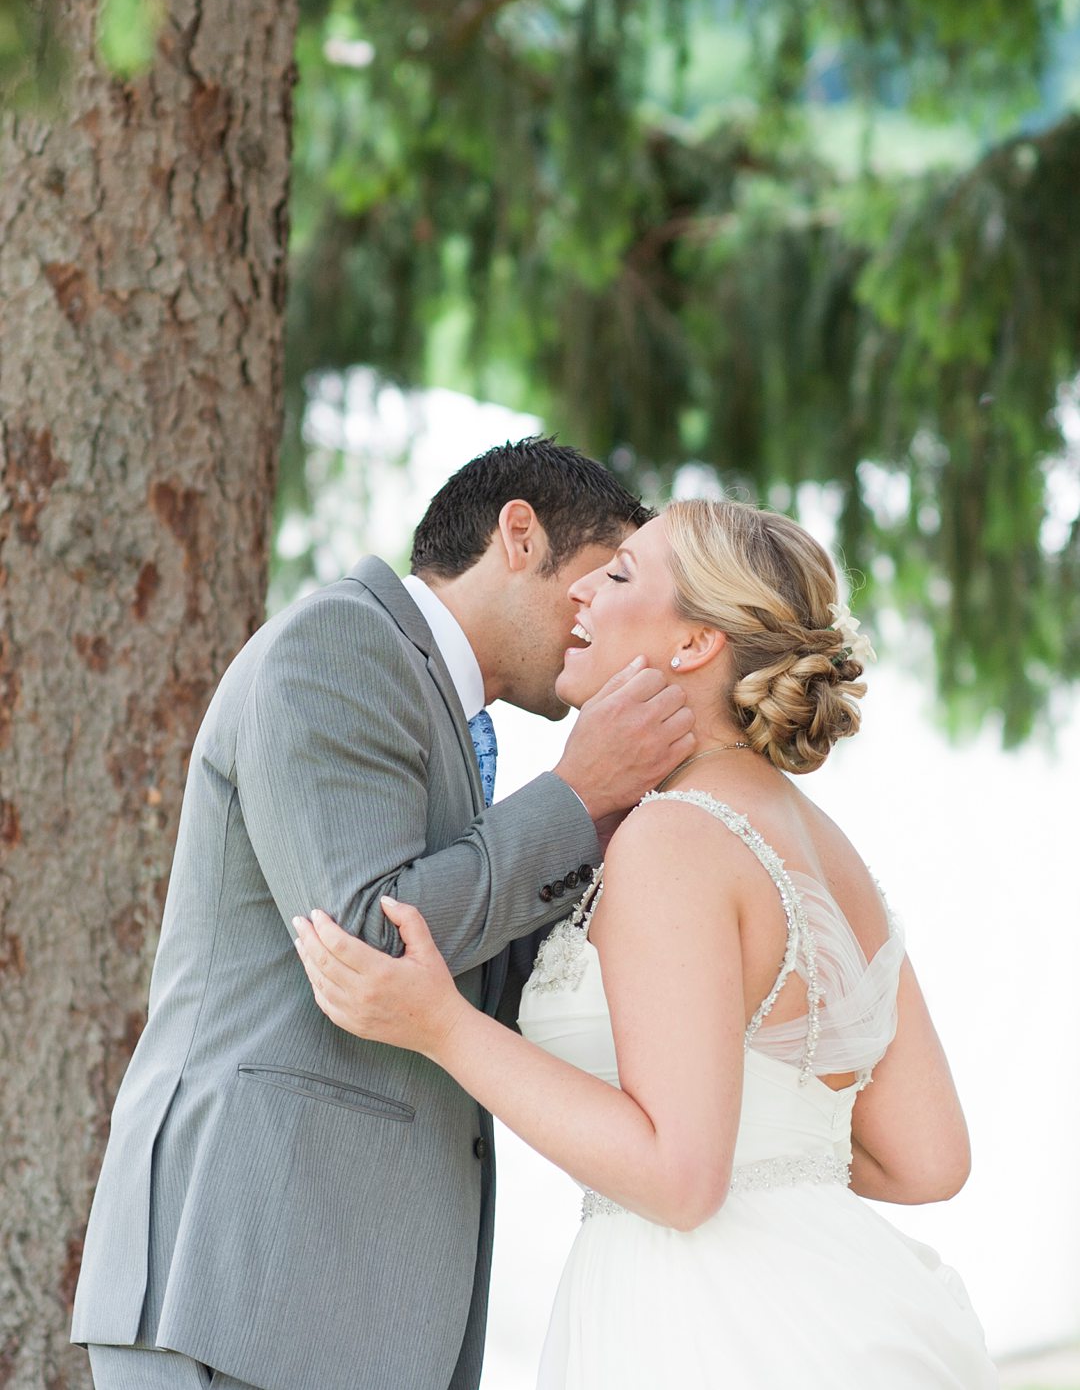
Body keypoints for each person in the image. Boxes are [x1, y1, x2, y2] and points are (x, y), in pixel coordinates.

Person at [295, 497, 1001, 1389]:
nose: (584, 587)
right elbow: (929, 1157)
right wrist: (775, 1160)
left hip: (699, 1327)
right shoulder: (832, 852)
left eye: (622, 573)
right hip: (843, 1305)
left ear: (695, 645)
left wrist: (444, 1026)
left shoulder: (675, 836)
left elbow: (679, 1177)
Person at [71, 438, 699, 1390]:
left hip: (349, 1301)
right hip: (240, 1285)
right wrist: (574, 794)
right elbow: (370, 944)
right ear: (519, 534)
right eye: (602, 572)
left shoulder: (456, 717)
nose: (602, 614)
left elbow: (473, 967)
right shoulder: (340, 645)